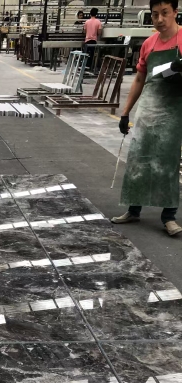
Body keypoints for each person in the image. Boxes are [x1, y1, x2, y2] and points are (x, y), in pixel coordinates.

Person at [111, 0, 182, 235]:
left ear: (175, 12)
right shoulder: (149, 43)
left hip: (173, 109)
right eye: (155, 15)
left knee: (168, 161)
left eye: (165, 13)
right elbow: (140, 79)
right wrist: (125, 112)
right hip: (148, 107)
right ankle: (133, 210)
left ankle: (169, 217)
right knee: (138, 158)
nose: (159, 19)